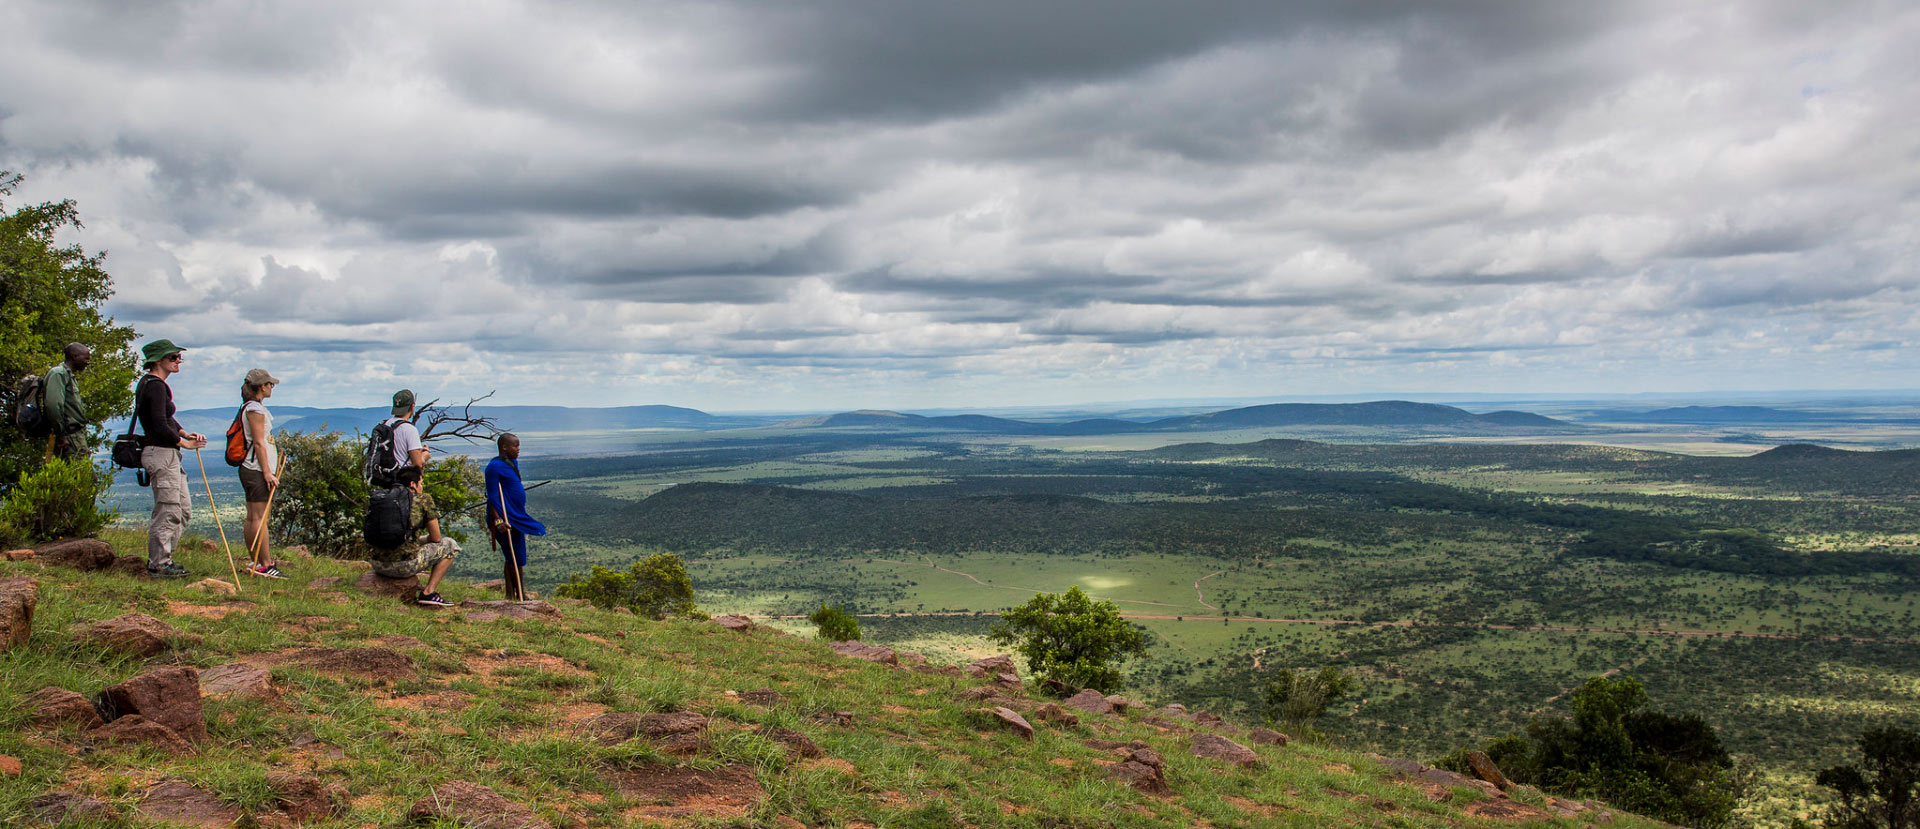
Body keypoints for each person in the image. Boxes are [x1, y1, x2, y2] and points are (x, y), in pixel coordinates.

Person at [371, 389, 457, 607]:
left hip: (386, 491)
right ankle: (428, 593)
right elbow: (417, 462)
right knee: (449, 545)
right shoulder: (408, 429)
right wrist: (425, 455)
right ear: (412, 407)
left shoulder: (385, 426)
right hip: (403, 486)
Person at [135, 339, 207, 578]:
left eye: (178, 357)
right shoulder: (155, 385)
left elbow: (165, 418)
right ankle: (159, 564)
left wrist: (184, 432)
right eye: (173, 357)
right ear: (158, 360)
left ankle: (165, 559)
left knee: (182, 509)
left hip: (166, 453)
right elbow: (157, 424)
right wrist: (183, 443)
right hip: (161, 452)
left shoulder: (154, 385)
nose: (178, 362)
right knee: (168, 509)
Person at [484, 433, 547, 600]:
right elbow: (492, 497)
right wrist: (498, 521)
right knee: (512, 554)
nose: (518, 450)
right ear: (504, 447)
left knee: (514, 555)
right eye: (515, 446)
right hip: (504, 517)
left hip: (517, 515)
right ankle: (518, 594)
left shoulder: (512, 463)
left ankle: (513, 593)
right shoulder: (493, 467)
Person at [238, 368, 286, 579]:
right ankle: (265, 564)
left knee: (254, 517)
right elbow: (258, 442)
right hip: (256, 469)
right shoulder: (255, 410)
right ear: (262, 387)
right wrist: (267, 472)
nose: (271, 388)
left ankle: (258, 561)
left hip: (253, 469)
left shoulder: (250, 407)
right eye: (270, 384)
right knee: (259, 518)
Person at [42, 343, 91, 461]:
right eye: (86, 358)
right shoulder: (58, 373)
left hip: (75, 437)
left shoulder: (69, 375)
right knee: (84, 476)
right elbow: (53, 406)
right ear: (74, 356)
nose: (88, 362)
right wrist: (61, 435)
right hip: (69, 438)